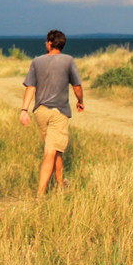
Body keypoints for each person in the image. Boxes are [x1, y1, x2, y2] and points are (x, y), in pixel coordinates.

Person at [19, 29, 84, 197]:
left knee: (55, 150)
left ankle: (60, 184)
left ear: (49, 43)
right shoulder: (68, 61)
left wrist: (24, 109)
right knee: (50, 152)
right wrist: (80, 101)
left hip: (40, 112)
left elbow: (30, 87)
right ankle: (40, 194)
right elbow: (77, 86)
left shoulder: (37, 61)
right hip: (58, 112)